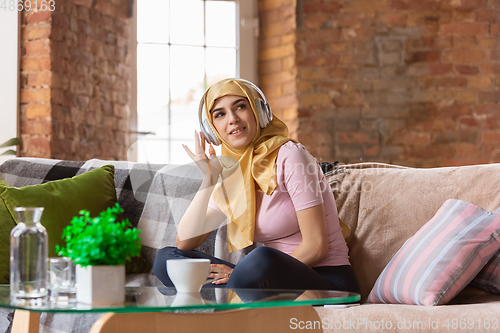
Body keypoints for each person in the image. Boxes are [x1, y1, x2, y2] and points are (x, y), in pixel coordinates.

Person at [153, 78, 359, 293]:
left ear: (259, 112)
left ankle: (217, 297)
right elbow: (184, 242)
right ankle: (237, 293)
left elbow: (316, 247)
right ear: (212, 130)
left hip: (324, 279)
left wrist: (239, 274)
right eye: (220, 114)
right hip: (263, 278)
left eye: (240, 106)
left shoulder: (290, 154)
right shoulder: (232, 175)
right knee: (167, 259)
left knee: (260, 259)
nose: (232, 119)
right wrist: (209, 179)